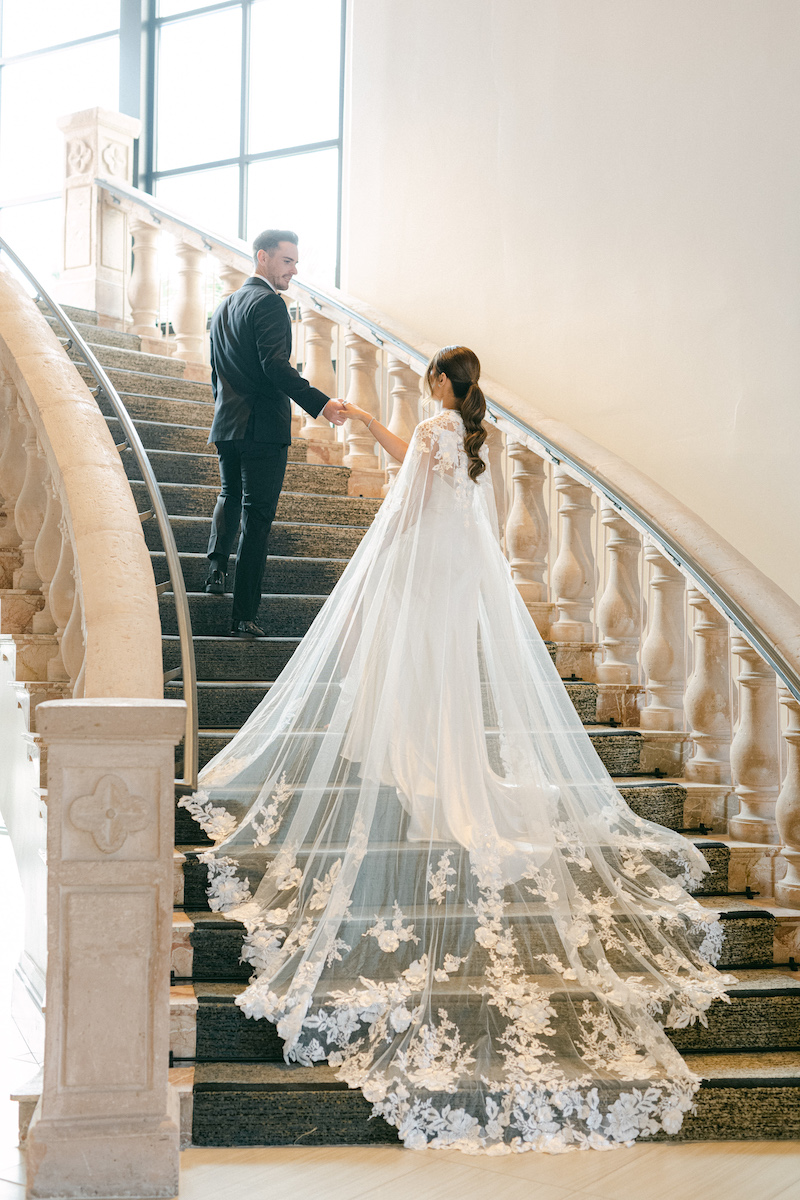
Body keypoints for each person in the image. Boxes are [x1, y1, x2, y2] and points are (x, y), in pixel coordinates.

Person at [181, 346, 732, 1154]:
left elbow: (408, 497)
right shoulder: (467, 431)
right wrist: (368, 422)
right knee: (435, 672)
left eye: (432, 376)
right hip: (455, 571)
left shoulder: (441, 425)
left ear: (442, 380)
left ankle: (417, 760)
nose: (430, 387)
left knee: (409, 667)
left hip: (422, 561)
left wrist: (381, 533)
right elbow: (434, 480)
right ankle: (431, 758)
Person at [205, 229, 347, 638]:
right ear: (263, 257)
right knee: (258, 518)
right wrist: (321, 403)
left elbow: (217, 372)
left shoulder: (224, 306)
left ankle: (215, 571)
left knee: (230, 496)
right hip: (262, 428)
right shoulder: (270, 303)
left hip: (227, 423)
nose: (294, 270)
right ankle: (244, 614)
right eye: (287, 261)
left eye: (296, 262)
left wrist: (224, 412)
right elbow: (275, 366)